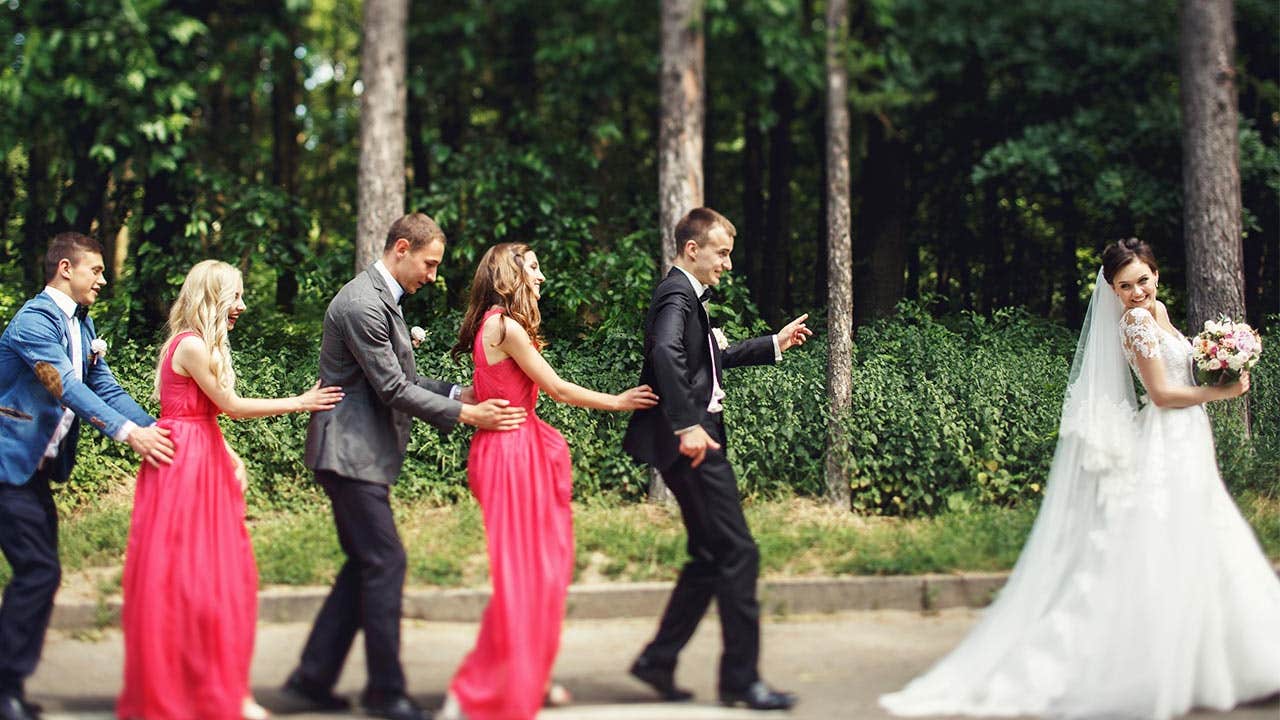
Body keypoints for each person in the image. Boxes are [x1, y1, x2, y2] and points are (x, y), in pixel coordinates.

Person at [880, 238, 1280, 719]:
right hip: (1166, 437)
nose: (1136, 292)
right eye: (1125, 286)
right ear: (1112, 290)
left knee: (1201, 538)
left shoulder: (1158, 311)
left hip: (1189, 438)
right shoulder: (1134, 323)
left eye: (1143, 280)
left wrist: (1224, 355)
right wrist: (1222, 393)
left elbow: (1183, 362)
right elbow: (1160, 394)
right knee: (1163, 542)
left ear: (1156, 274)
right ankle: (1142, 666)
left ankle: (1217, 665)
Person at [281, 213, 526, 720]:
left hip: (358, 454)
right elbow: (392, 388)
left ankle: (312, 677)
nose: (433, 275)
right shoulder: (361, 303)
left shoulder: (383, 301)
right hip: (348, 453)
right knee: (386, 561)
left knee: (364, 563)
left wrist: (459, 392)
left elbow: (403, 378)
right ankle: (384, 692)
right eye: (429, 264)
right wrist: (468, 414)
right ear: (401, 249)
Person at [114, 260, 343, 720]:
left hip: (202, 456)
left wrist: (227, 452)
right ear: (211, 297)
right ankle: (195, 691)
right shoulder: (191, 345)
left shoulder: (195, 344)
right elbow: (231, 406)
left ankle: (215, 686)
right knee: (191, 581)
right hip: (184, 469)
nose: (242, 305)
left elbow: (200, 415)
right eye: (234, 296)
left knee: (218, 579)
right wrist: (301, 402)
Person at [438, 243, 658, 720]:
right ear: (508, 275)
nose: (541, 277)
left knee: (540, 572)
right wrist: (619, 401)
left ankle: (523, 674)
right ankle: (477, 688)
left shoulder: (494, 325)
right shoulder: (505, 326)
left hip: (519, 447)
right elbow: (557, 389)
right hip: (511, 453)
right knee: (524, 577)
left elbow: (488, 389)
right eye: (533, 268)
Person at [622, 208, 812, 711]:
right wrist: (687, 424)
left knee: (710, 556)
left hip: (686, 440)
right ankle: (740, 682)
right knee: (739, 552)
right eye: (722, 253)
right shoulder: (677, 294)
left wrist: (773, 344)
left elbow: (704, 359)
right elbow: (665, 353)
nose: (727, 264)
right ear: (693, 250)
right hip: (694, 442)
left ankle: (658, 660)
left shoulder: (686, 296)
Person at [0, 232, 175, 720]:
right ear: (65, 268)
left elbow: (104, 387)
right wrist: (128, 435)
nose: (102, 279)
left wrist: (159, 429)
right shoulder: (34, 321)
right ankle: (5, 688)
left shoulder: (81, 323)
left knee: (40, 572)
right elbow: (66, 386)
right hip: (6, 463)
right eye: (95, 270)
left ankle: (8, 685)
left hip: (31, 472)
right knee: (39, 571)